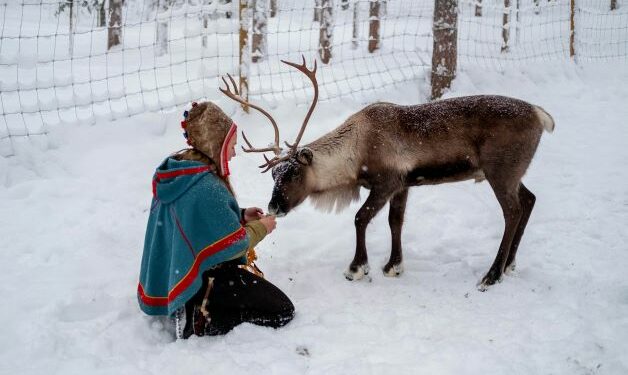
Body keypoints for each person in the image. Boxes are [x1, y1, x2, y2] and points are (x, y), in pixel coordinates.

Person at [137, 101, 294, 339]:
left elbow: (195, 219)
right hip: (207, 279)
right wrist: (261, 228)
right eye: (231, 145)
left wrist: (240, 215)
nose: (233, 152)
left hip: (178, 272)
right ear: (216, 145)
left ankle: (194, 303)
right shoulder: (207, 187)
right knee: (282, 310)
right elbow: (234, 245)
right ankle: (202, 317)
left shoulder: (180, 172)